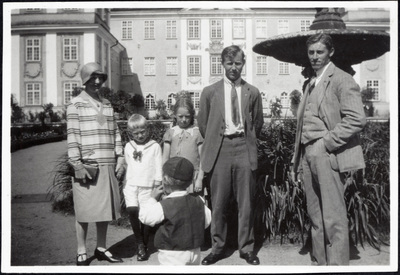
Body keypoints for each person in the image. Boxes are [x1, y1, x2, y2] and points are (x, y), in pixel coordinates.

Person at [291, 33, 366, 265]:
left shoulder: (342, 79)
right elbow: (302, 125)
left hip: (327, 153)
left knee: (333, 216)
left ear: (330, 52)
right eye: (311, 52)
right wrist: (296, 160)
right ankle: (321, 262)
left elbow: (357, 119)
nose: (314, 57)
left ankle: (337, 265)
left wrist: (328, 142)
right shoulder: (310, 82)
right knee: (315, 214)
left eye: (319, 52)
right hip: (307, 154)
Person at [197, 45, 264, 265]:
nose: (233, 68)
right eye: (229, 63)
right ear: (222, 64)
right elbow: (204, 125)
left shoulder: (252, 92)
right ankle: (217, 248)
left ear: (243, 64)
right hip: (220, 149)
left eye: (237, 63)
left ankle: (246, 248)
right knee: (219, 202)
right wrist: (219, 140)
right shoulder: (210, 91)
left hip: (244, 147)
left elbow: (258, 123)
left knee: (246, 202)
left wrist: (245, 140)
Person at [67, 62, 125, 265]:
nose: (97, 82)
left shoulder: (107, 104)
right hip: (87, 166)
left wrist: (121, 157)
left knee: (104, 209)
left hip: (107, 162)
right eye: (93, 78)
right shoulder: (75, 104)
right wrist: (77, 165)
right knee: (83, 210)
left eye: (100, 78)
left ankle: (101, 247)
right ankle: (81, 250)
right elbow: (73, 136)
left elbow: (116, 132)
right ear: (85, 80)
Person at [139, 157, 212, 265]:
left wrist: (152, 199)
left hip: (172, 254)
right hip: (195, 251)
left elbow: (145, 217)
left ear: (165, 180)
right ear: (190, 180)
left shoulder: (164, 206)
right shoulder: (199, 201)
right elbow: (206, 221)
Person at [123, 114, 163, 261]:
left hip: (148, 186)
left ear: (147, 129)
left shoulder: (154, 146)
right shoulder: (128, 146)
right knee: (132, 211)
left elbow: (159, 166)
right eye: (136, 133)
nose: (140, 135)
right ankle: (139, 242)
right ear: (130, 133)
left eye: (142, 131)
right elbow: (129, 164)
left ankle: (144, 246)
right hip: (132, 184)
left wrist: (158, 183)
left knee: (146, 216)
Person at [162, 92, 204, 194]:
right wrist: (164, 178)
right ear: (175, 115)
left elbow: (203, 158)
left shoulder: (197, 133)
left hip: (192, 178)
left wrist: (199, 179)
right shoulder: (170, 133)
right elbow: (165, 159)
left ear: (192, 115)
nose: (184, 120)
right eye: (180, 116)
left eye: (187, 116)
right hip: (173, 178)